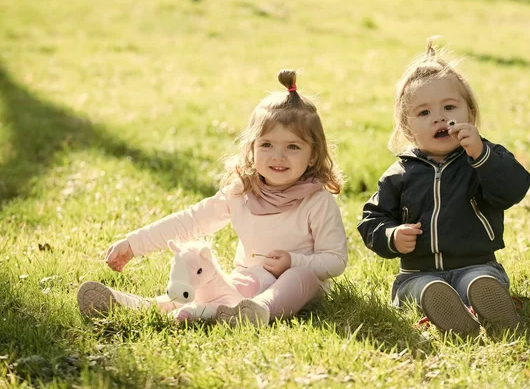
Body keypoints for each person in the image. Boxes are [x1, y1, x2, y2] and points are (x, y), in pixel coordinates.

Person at [78, 69, 348, 326]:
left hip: (299, 289)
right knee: (209, 278)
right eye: (266, 145)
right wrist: (133, 244)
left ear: (312, 154)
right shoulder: (241, 192)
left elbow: (335, 260)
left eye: (292, 147)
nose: (278, 156)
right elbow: (190, 222)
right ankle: (138, 305)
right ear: (251, 148)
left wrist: (294, 261)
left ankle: (258, 312)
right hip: (249, 279)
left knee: (298, 277)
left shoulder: (316, 201)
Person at [357, 38, 530, 334]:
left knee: (477, 281)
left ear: (470, 114)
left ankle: (488, 301)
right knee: (426, 288)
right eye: (423, 113)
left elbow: (513, 189)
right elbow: (372, 220)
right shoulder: (399, 173)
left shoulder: (482, 158)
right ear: (407, 127)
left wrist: (482, 155)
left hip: (477, 264)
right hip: (417, 272)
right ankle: (443, 307)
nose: (439, 117)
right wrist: (392, 235)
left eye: (449, 107)